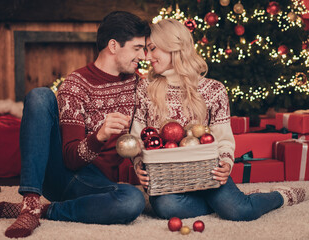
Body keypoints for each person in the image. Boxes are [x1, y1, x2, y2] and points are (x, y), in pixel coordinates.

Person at [0, 11, 151, 238]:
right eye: (136, 48)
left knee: (133, 201)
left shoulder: (137, 84)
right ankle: (31, 200)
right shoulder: (76, 85)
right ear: (113, 46)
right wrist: (99, 135)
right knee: (40, 96)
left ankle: (44, 210)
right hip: (68, 176)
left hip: (99, 185)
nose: (142, 55)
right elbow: (70, 159)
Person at [130, 18, 308, 221]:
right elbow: (137, 135)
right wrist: (138, 164)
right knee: (166, 208)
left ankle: (280, 196)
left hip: (207, 172)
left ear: (173, 47)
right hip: (167, 180)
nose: (147, 56)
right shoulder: (145, 89)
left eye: (153, 49)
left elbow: (223, 137)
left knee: (241, 212)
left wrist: (225, 163)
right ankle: (229, 203)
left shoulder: (213, 89)